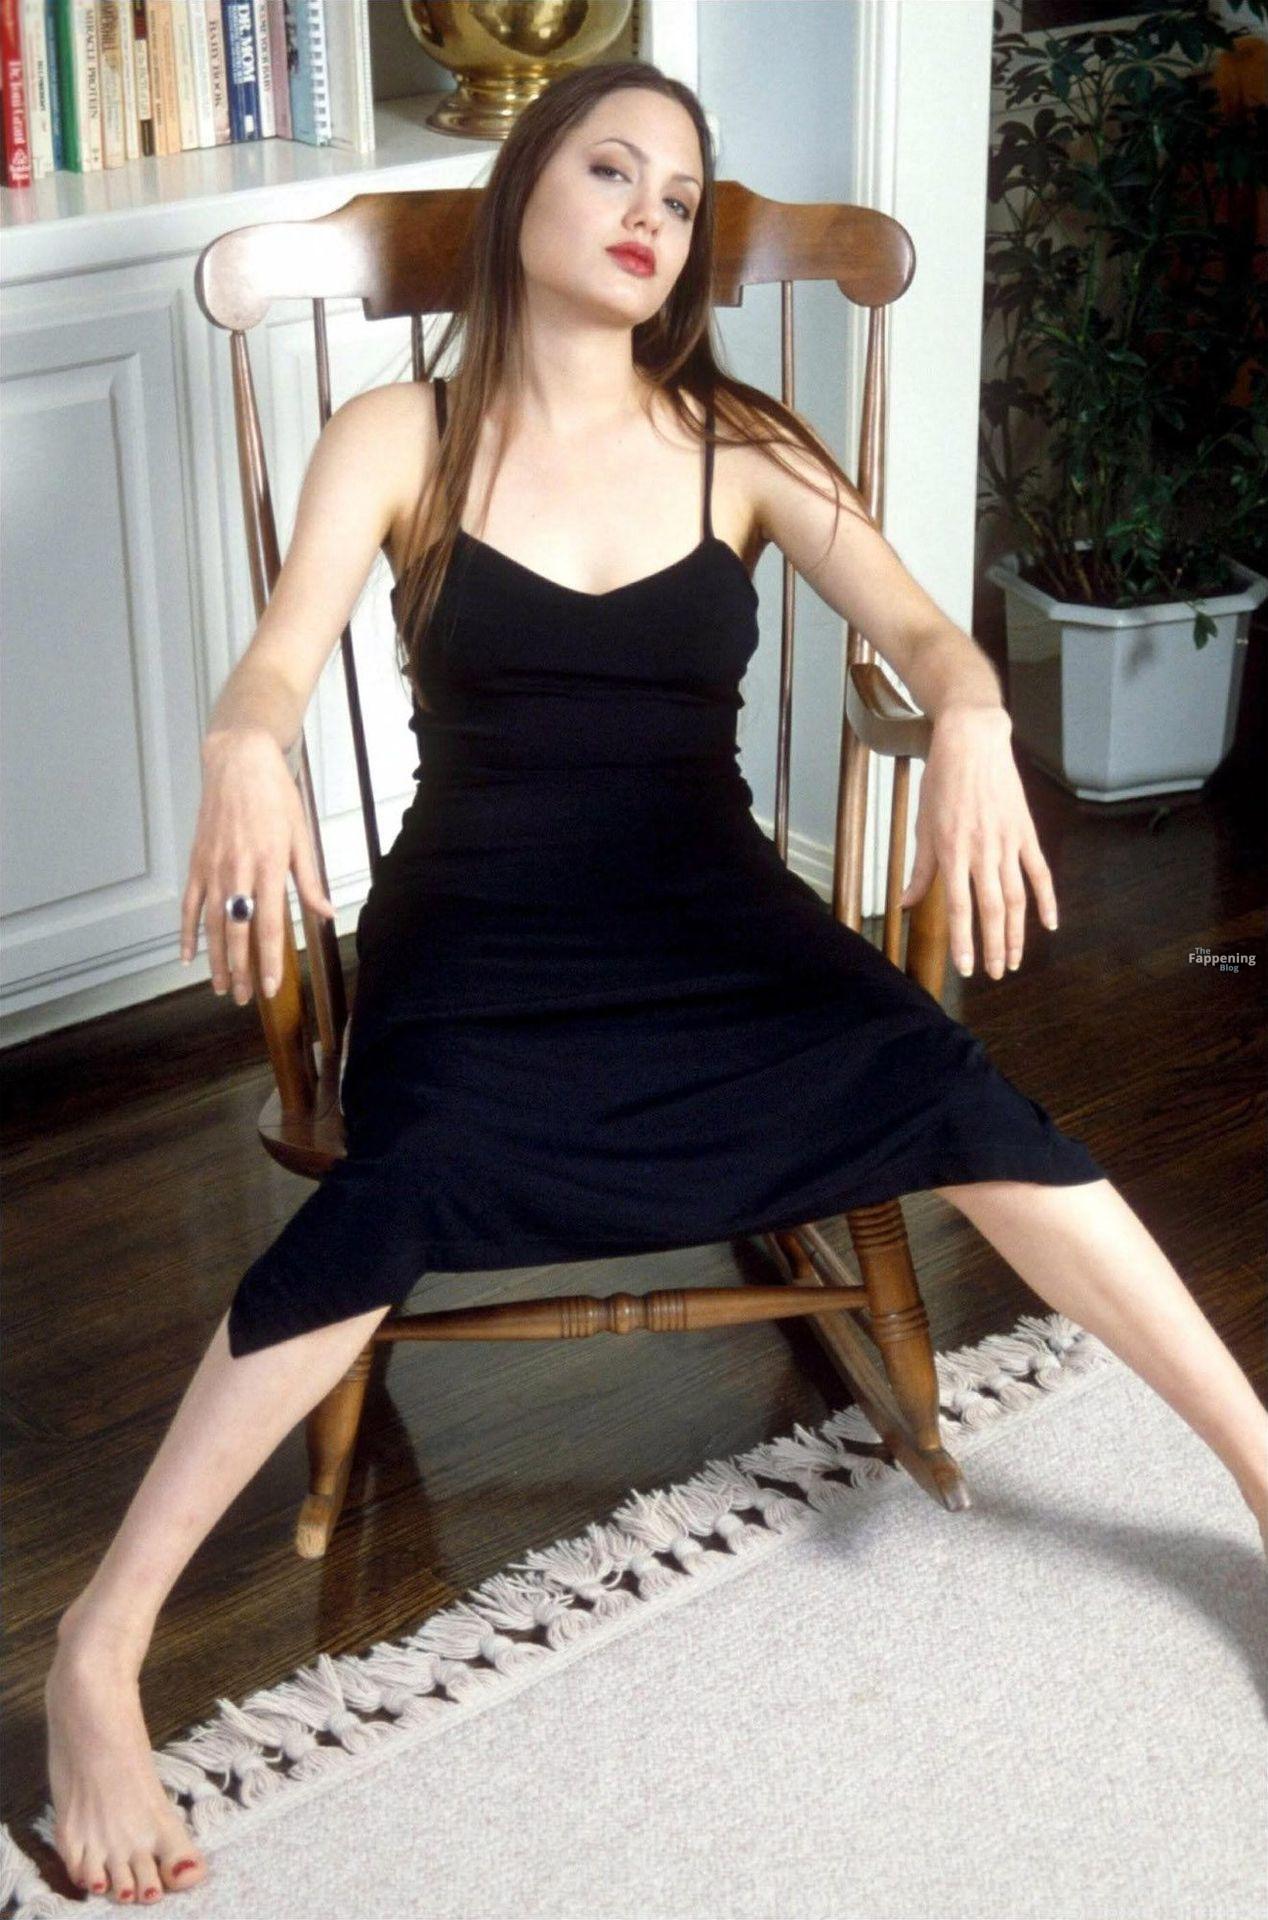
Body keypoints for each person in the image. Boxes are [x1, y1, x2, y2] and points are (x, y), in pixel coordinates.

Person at [42, 60, 1268, 1907]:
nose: (649, 215)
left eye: (681, 198)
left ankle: (1261, 1478)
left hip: (715, 919)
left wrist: (974, 713)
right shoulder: (399, 433)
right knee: (405, 1186)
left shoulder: (740, 446)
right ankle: (99, 1647)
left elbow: (925, 632)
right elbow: (283, 657)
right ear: (524, 188)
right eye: (611, 170)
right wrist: (241, 739)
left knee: (954, 1091)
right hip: (485, 930)